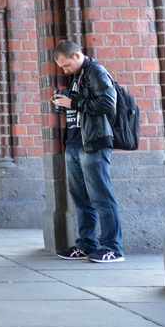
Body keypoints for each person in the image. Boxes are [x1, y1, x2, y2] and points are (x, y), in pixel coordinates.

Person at [50, 39, 124, 263]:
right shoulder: (76, 76)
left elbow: (107, 102)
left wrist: (73, 104)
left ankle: (113, 247)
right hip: (74, 143)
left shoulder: (95, 71)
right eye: (61, 67)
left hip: (93, 143)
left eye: (66, 65)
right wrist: (64, 101)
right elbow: (82, 103)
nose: (64, 70)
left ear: (77, 56)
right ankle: (86, 244)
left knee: (101, 196)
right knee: (81, 198)